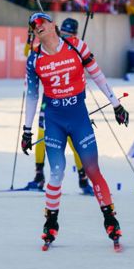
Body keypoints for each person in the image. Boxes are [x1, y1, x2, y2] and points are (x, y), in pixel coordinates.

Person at [20, 13, 129, 250]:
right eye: (33, 25)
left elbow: (97, 76)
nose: (36, 27)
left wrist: (117, 105)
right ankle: (51, 223)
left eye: (41, 23)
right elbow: (31, 96)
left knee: (93, 170)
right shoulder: (34, 59)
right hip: (55, 121)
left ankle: (111, 220)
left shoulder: (76, 46)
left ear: (52, 25)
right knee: (56, 173)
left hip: (78, 118)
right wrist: (27, 131)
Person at [27, 17, 91, 195]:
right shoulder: (61, 43)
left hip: (64, 100)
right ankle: (41, 175)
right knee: (48, 134)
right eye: (64, 33)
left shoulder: (68, 44)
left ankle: (81, 178)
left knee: (67, 138)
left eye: (69, 34)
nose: (66, 37)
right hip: (56, 100)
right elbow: (32, 55)